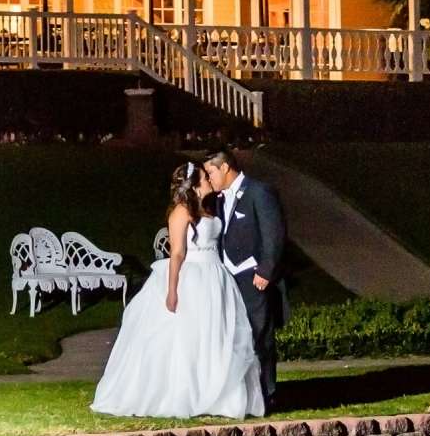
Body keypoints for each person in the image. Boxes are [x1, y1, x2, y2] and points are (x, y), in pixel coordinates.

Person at [90, 161, 264, 420]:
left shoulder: (207, 209)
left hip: (216, 276)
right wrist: (172, 290)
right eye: (205, 178)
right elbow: (178, 253)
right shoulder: (181, 212)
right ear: (193, 185)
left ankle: (218, 394)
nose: (209, 181)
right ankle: (186, 393)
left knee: (215, 335)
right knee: (188, 338)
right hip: (193, 277)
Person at [201, 149, 287, 411]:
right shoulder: (217, 200)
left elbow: (274, 232)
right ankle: (243, 396)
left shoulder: (259, 192)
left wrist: (265, 270)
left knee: (259, 335)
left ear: (225, 167)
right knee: (236, 337)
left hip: (253, 277)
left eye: (211, 172)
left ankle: (268, 393)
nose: (209, 178)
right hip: (228, 279)